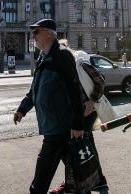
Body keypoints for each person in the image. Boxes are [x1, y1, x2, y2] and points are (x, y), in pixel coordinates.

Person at [14, 19, 85, 194]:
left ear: (48, 34)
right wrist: (22, 109)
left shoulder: (62, 56)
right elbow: (35, 89)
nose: (33, 36)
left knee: (41, 179)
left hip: (60, 127)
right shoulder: (43, 57)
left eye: (36, 32)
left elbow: (74, 90)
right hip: (55, 126)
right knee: (77, 173)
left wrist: (78, 123)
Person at [50, 40, 110, 194]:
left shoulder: (79, 64)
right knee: (85, 146)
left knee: (76, 145)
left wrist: (92, 100)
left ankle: (77, 184)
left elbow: (100, 80)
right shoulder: (64, 66)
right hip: (77, 111)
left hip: (87, 111)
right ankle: (96, 181)